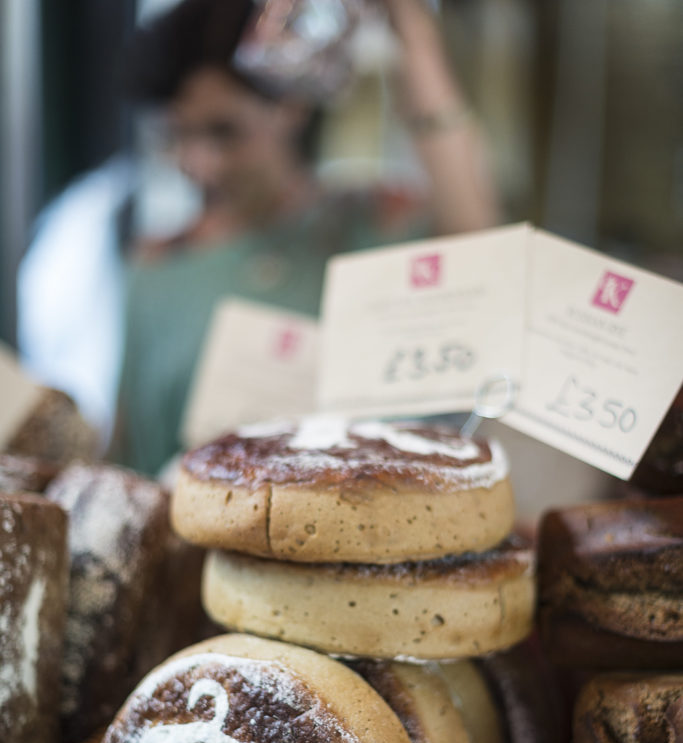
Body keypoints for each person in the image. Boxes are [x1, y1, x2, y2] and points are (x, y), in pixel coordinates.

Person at [115, 0, 501, 475]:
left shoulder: (366, 225)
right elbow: (128, 454)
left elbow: (480, 241)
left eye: (225, 132)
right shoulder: (159, 268)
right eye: (178, 136)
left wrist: (412, 34)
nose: (201, 164)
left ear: (289, 107)